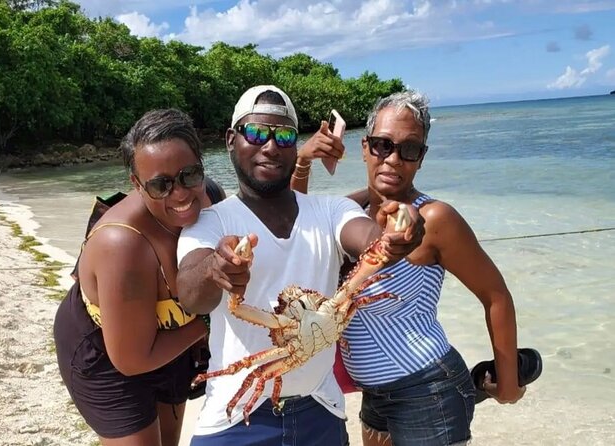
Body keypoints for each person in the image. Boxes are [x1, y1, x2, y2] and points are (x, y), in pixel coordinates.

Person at [175, 85, 425, 445]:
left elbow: (371, 241)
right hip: (237, 417)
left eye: (285, 136)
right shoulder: (211, 223)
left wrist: (398, 232)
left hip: (322, 409)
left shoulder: (330, 211)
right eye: (256, 133)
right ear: (231, 139)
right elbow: (191, 295)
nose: (271, 146)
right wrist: (218, 267)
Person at [295, 90, 526, 446]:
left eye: (409, 149)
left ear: (421, 158)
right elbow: (295, 232)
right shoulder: (348, 212)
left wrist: (507, 383)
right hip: (375, 396)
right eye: (383, 145)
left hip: (429, 391)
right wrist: (302, 162)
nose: (393, 159)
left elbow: (495, 295)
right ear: (364, 147)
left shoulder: (435, 219)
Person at [53, 109, 225, 446]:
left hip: (174, 340)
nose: (180, 194)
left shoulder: (213, 201)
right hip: (107, 353)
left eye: (190, 175)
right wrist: (209, 320)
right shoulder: (122, 245)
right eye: (161, 184)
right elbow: (131, 360)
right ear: (136, 184)